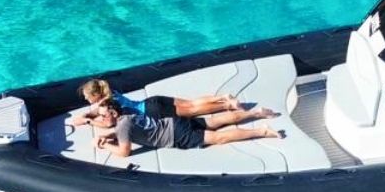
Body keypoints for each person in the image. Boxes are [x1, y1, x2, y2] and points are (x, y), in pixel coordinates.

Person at [90, 94, 284, 158]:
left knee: (218, 137)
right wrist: (109, 135)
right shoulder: (128, 115)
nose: (101, 121)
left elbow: (124, 152)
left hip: (176, 136)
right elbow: (125, 130)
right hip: (174, 123)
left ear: (113, 114)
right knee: (216, 121)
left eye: (103, 116)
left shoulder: (122, 127)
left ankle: (262, 131)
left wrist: (102, 145)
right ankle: (254, 113)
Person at [67, 77, 263, 129]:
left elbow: (108, 122)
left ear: (95, 95)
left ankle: (226, 105)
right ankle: (224, 97)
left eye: (86, 96)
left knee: (193, 111)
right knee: (192, 103)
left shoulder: (103, 104)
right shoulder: (112, 93)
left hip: (153, 112)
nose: (85, 99)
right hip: (152, 101)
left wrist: (88, 121)